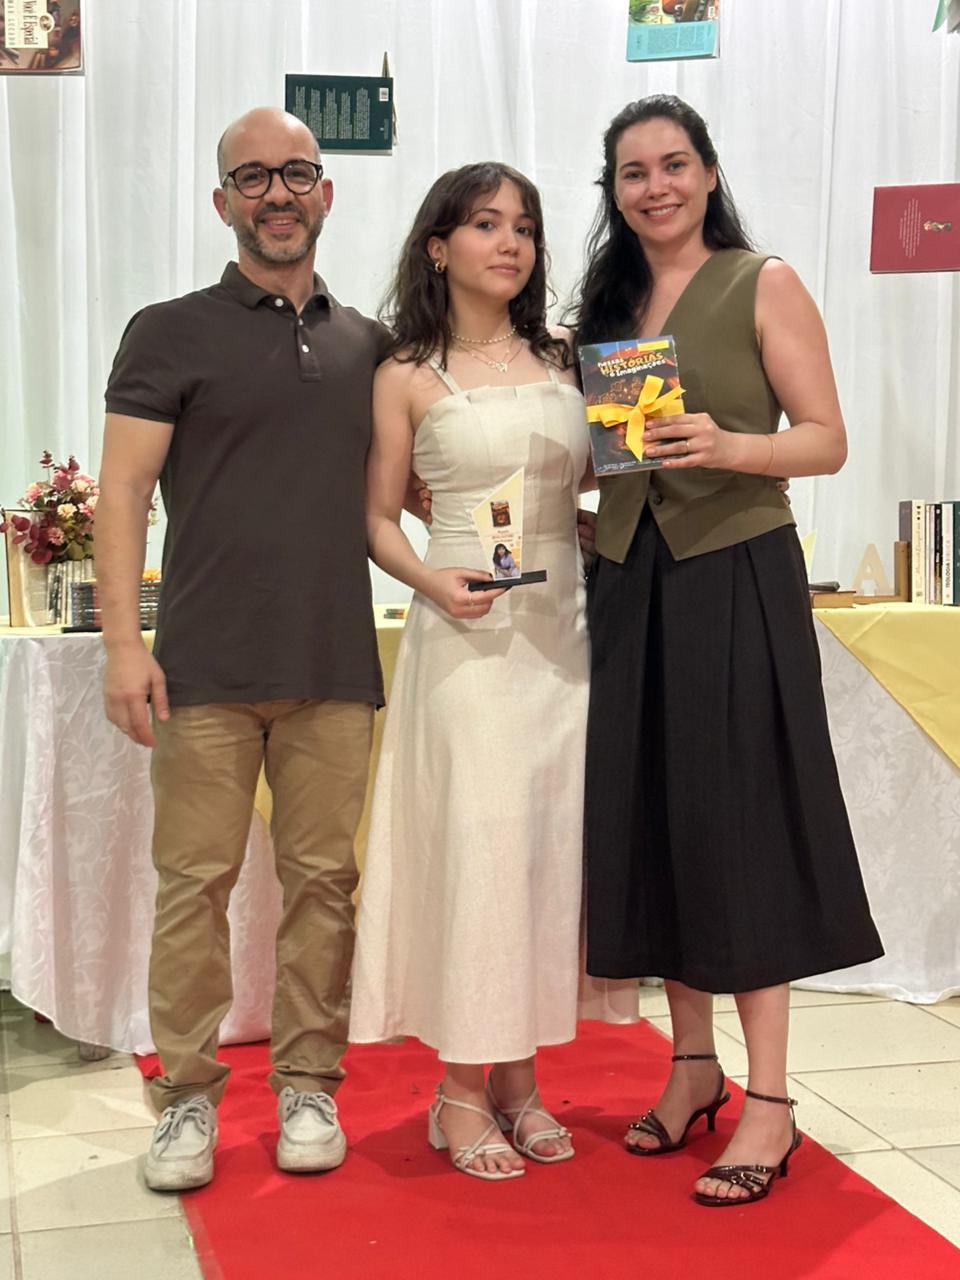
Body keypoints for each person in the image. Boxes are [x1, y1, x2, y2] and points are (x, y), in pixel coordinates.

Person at [575, 95, 883, 1207]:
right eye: (632, 172)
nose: (654, 187)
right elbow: (612, 459)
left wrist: (730, 445)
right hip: (631, 580)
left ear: (708, 173)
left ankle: (773, 1099)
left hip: (737, 572)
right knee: (657, 816)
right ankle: (691, 1063)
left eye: (673, 164)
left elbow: (828, 440)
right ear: (613, 192)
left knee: (740, 824)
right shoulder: (607, 305)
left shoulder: (763, 281)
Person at [97, 107, 389, 1191]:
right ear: (223, 200)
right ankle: (185, 1098)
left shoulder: (370, 346)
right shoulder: (167, 331)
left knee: (326, 885)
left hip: (333, 666)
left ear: (326, 193)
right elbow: (122, 492)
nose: (277, 194)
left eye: (296, 174)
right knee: (193, 887)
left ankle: (309, 1083)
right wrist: (124, 644)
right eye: (253, 177)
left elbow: (415, 487)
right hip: (203, 668)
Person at [348, 162, 636, 1182]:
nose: (509, 242)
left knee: (545, 852)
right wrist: (431, 579)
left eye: (524, 226)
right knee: (479, 847)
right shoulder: (405, 372)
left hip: (564, 635)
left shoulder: (569, 358)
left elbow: (609, 475)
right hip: (465, 640)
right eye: (484, 224)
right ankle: (458, 1089)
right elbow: (378, 517)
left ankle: (519, 1080)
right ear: (439, 246)